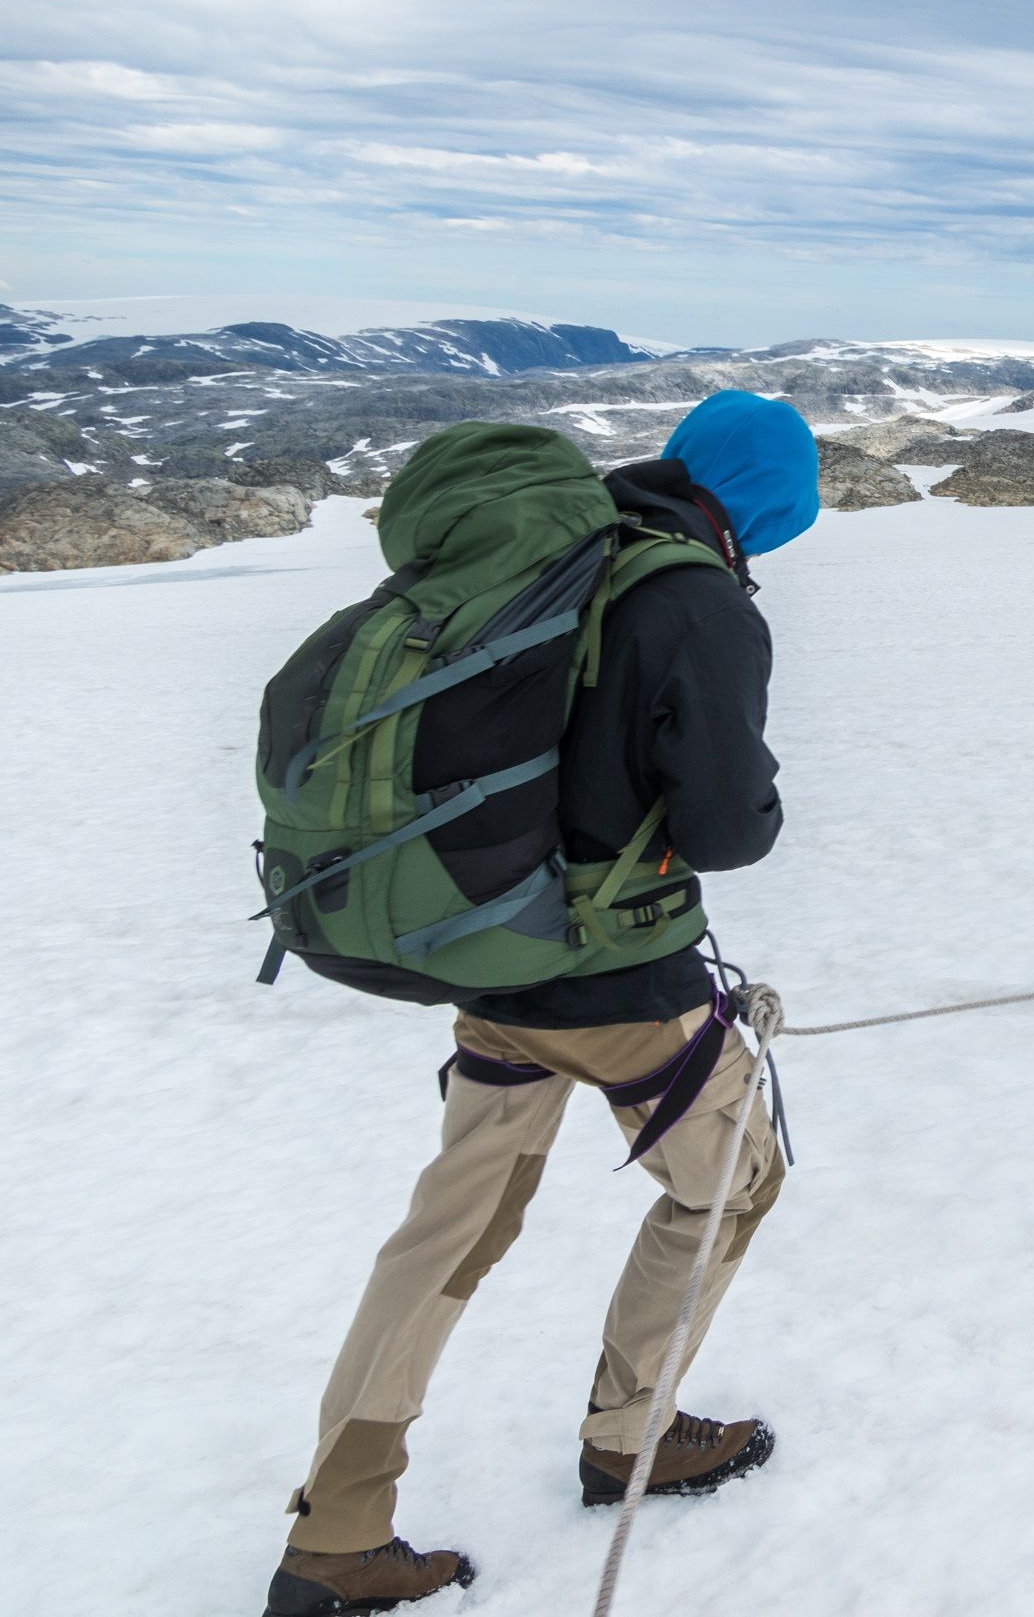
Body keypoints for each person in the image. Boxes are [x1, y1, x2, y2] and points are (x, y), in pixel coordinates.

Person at [270, 391, 819, 1617]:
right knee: (733, 1176)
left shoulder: (564, 556)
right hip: (621, 983)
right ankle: (633, 1433)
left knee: (447, 1232)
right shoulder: (695, 596)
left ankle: (336, 1531)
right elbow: (729, 825)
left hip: (486, 960)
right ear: (772, 501)